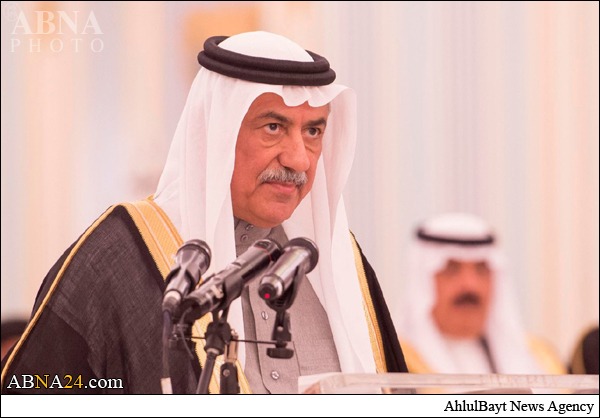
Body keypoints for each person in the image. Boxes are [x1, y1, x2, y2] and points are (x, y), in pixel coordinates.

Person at [1, 31, 407, 394]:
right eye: (273, 127)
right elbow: (35, 391)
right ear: (217, 132)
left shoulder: (338, 263)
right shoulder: (121, 254)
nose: (299, 159)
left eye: (313, 131)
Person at [394, 212, 564, 375]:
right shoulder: (397, 363)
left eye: (482, 269)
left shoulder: (540, 361)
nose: (470, 285)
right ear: (422, 281)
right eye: (451, 269)